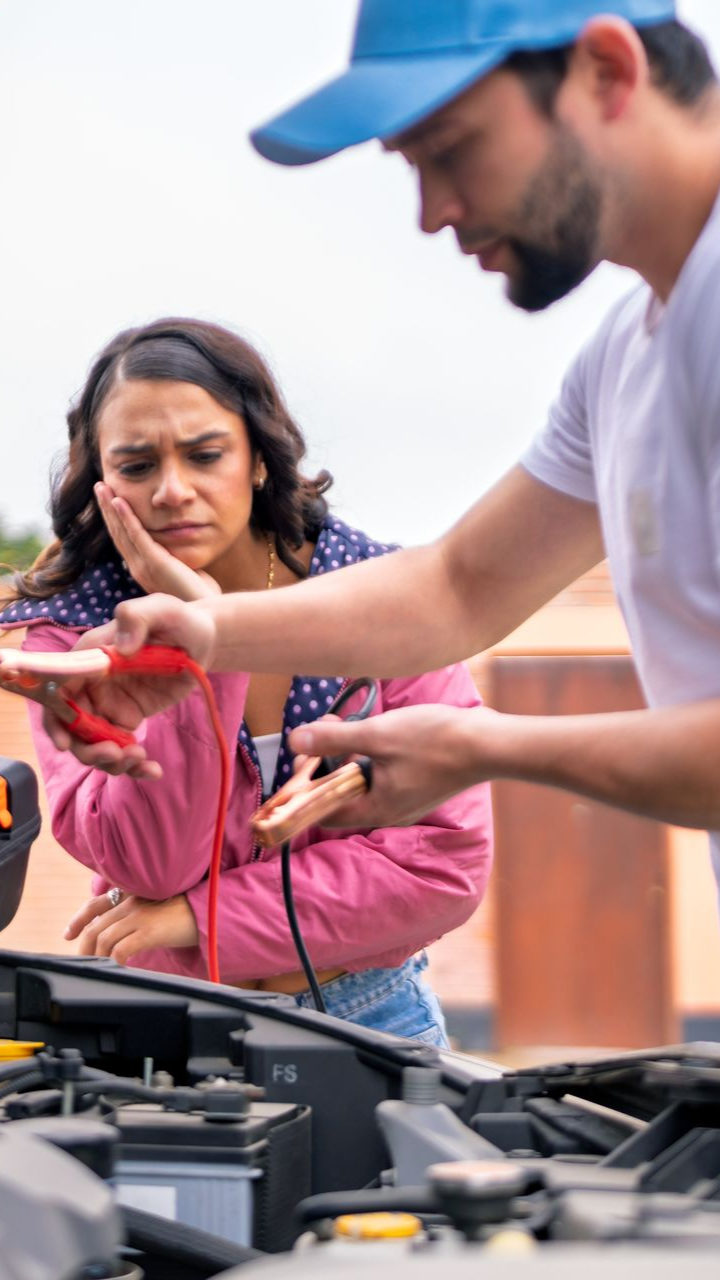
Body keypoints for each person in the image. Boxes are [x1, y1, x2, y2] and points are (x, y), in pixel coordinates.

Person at [33, 0, 720, 906]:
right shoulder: (627, 353)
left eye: (450, 148)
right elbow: (458, 587)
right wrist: (203, 632)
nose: (433, 213)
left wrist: (480, 746)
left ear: (605, 70)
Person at [0, 316, 494, 1045]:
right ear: (102, 479)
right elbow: (151, 862)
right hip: (164, 1029)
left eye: (205, 455)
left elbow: (444, 864)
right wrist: (199, 647)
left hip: (371, 1019)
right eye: (136, 466)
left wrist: (198, 917)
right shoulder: (72, 639)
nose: (172, 490)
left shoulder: (382, 602)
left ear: (259, 459)